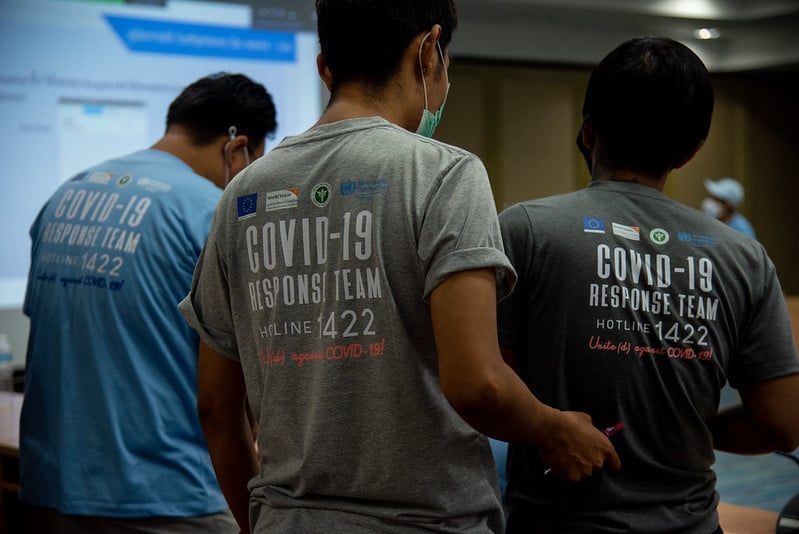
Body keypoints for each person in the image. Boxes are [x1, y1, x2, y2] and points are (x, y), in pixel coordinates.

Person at [179, 1, 619, 532]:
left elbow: (216, 408)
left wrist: (262, 524)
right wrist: (556, 430)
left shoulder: (241, 195)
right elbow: (477, 384)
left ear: (324, 68)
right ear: (429, 51)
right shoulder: (445, 174)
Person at [497, 36, 799, 533]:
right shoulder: (745, 258)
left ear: (588, 131)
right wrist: (682, 425)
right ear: (691, 150)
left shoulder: (524, 231)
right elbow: (783, 423)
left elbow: (489, 384)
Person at [19, 72, 277, 533]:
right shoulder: (212, 212)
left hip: (50, 490)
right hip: (172, 498)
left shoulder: (64, 195)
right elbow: (229, 396)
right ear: (237, 149)